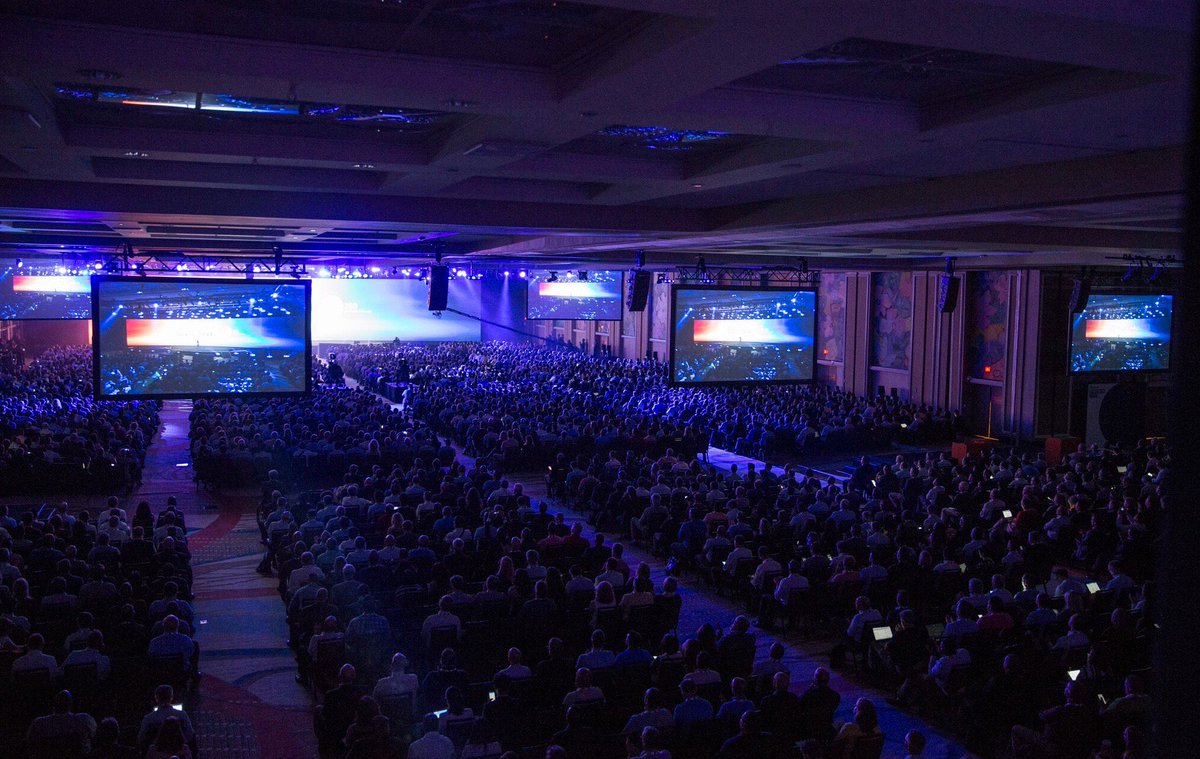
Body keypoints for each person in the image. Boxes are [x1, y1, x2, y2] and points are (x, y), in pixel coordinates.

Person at [26, 690, 97, 758]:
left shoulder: (40, 723)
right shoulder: (83, 719)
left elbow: (31, 742)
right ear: (71, 704)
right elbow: (94, 734)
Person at [138, 685, 195, 751]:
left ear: (156, 698)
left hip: (156, 753)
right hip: (178, 752)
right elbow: (190, 736)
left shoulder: (148, 719)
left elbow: (141, 739)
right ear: (171, 697)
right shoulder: (182, 715)